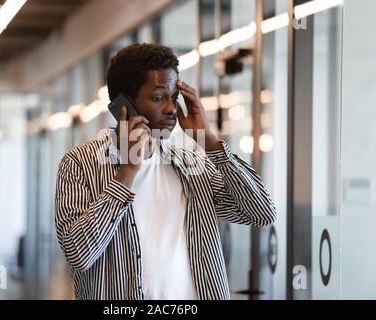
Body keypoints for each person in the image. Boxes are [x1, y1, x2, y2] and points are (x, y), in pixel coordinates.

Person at [55, 43, 276, 300]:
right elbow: (79, 254)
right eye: (159, 98)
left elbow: (261, 212)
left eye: (174, 97)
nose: (172, 108)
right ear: (123, 105)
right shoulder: (80, 163)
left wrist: (210, 142)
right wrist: (128, 169)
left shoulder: (191, 164)